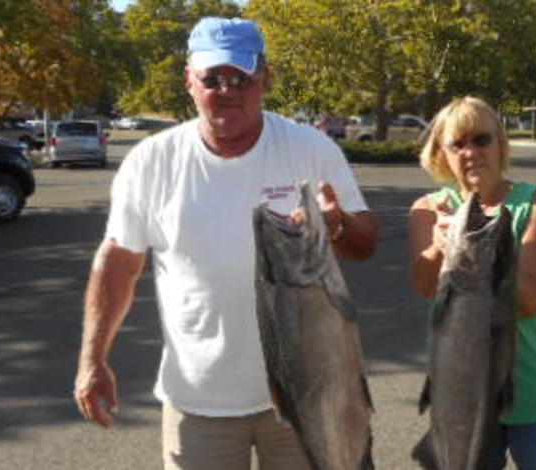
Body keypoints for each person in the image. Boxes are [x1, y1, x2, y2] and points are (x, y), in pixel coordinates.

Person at [73, 17, 379, 470]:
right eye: (212, 78)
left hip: (312, 391)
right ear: (189, 82)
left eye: (241, 77)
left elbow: (366, 241)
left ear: (265, 79)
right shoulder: (152, 161)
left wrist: (337, 225)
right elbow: (118, 262)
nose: (227, 90)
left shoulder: (310, 148)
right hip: (199, 399)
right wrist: (92, 360)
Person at [407, 96, 536, 469]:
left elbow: (532, 300)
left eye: (481, 140)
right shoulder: (429, 209)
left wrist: (480, 253)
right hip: (460, 395)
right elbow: (425, 285)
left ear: (501, 145)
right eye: (458, 144)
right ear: (442, 153)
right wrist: (441, 248)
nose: (471, 152)